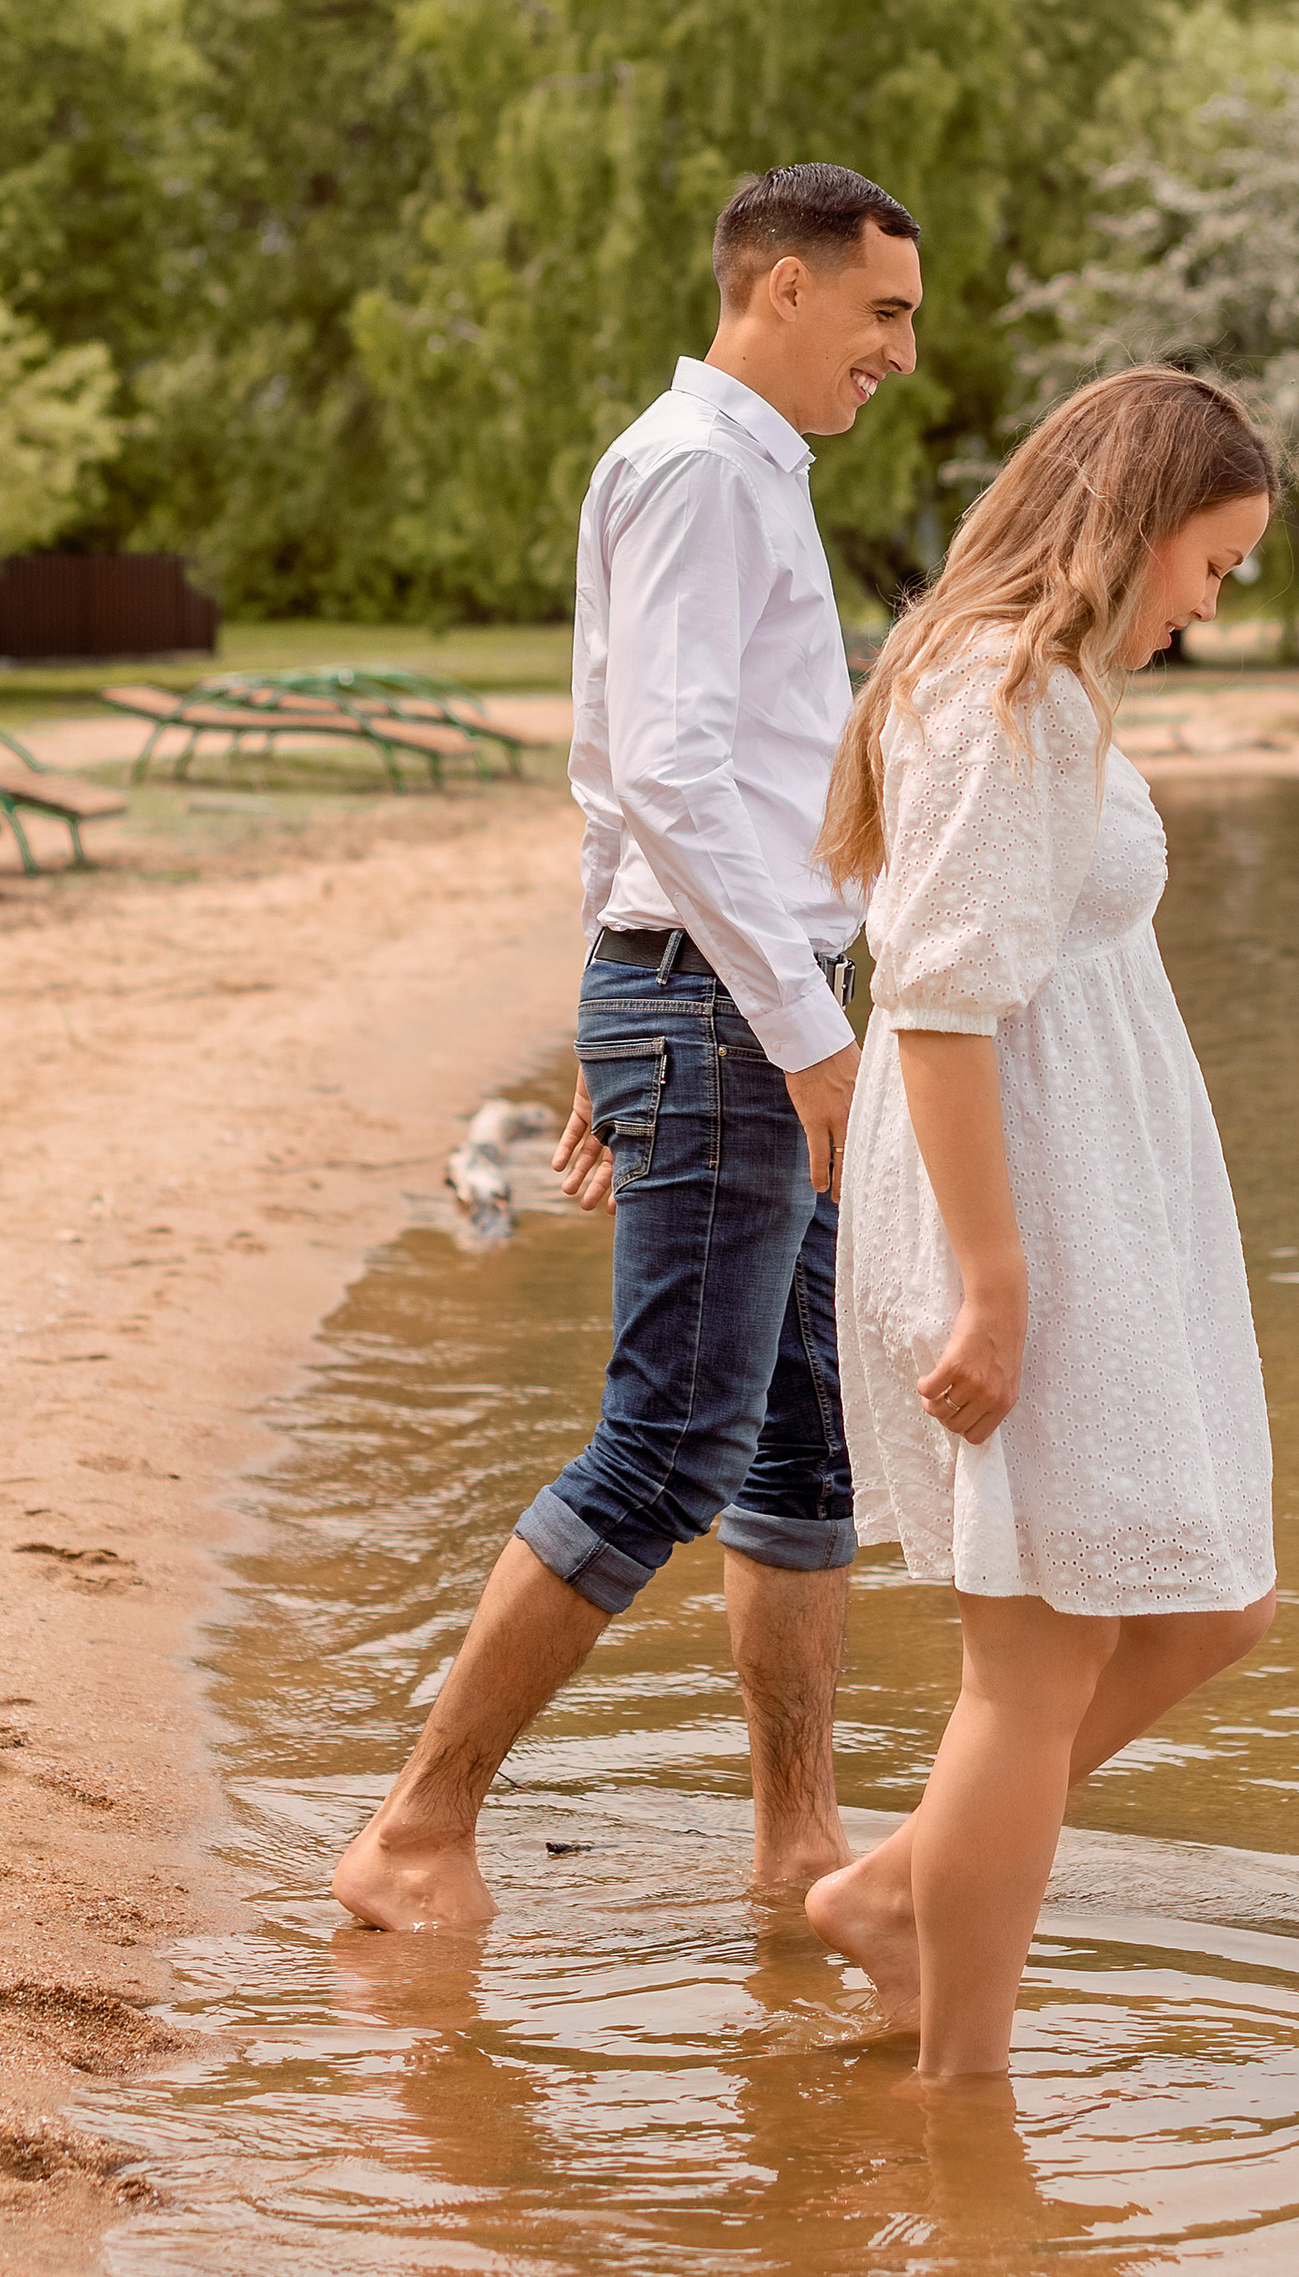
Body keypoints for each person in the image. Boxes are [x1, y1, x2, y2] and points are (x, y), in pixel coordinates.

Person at [333, 163, 925, 1932]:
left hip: (712, 993)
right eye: (884, 310)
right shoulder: (695, 471)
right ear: (788, 285)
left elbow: (630, 766)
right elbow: (659, 772)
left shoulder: (739, 471)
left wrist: (615, 999)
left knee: (801, 1442)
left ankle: (796, 1841)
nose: (898, 350)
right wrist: (803, 1037)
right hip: (748, 1016)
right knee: (669, 1444)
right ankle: (416, 1831)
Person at [803, 367, 1281, 2077]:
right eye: (1212, 570)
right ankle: (965, 2095)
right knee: (1033, 1664)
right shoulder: (1007, 691)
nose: (1209, 611)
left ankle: (893, 1895)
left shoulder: (1041, 682)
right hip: (1023, 1215)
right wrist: (995, 1286)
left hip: (1097, 1205)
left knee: (1215, 1604)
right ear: (1141, 526)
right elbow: (934, 1006)